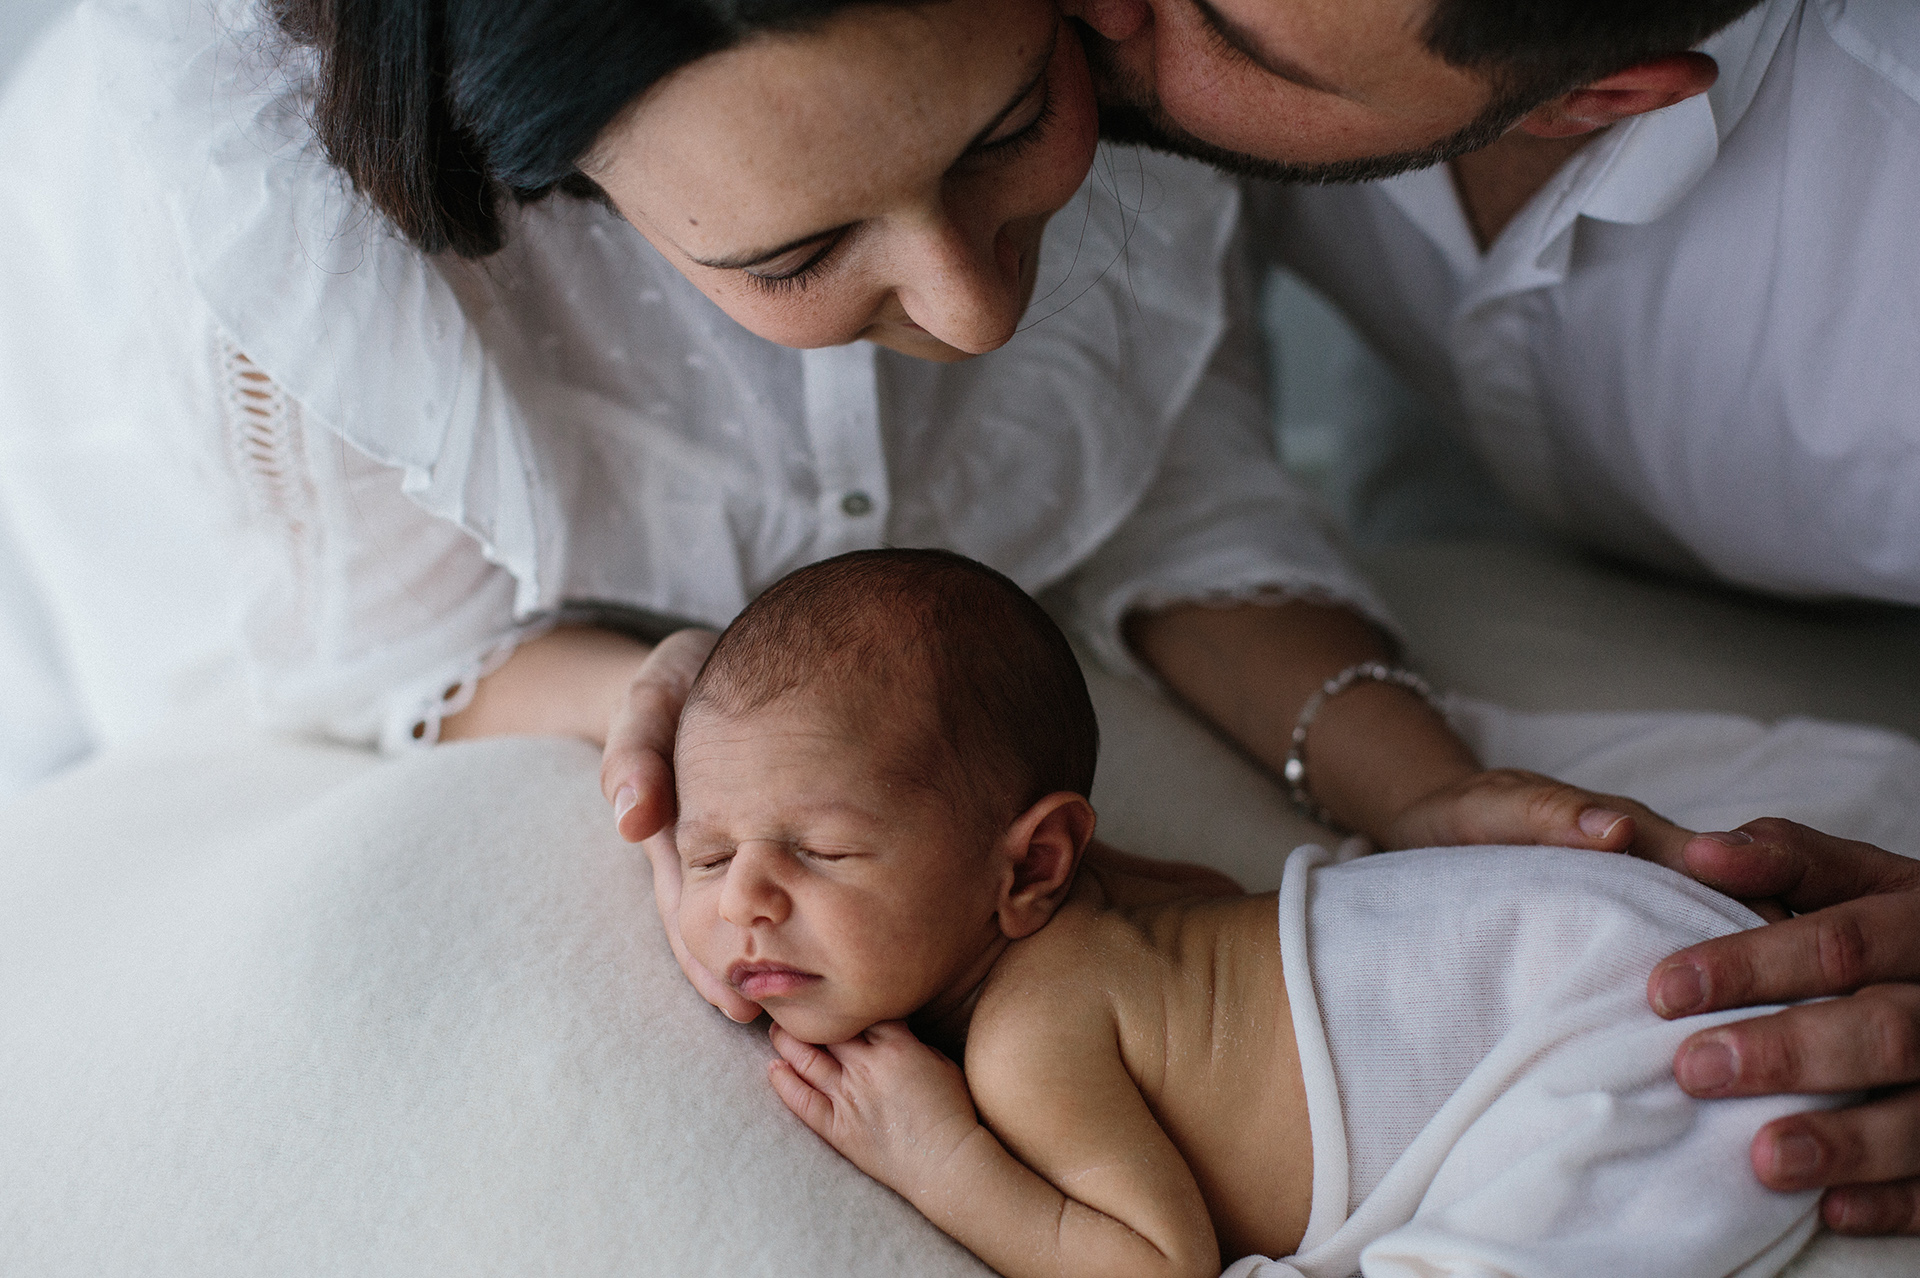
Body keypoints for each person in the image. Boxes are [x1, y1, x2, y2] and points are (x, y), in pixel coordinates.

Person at [0, 0, 1704, 1004]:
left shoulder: (1120, 39)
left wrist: (1421, 786)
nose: (975, 311)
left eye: (1007, 129)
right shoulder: (249, 201)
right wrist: (639, 692)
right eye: (798, 254)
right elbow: (376, 659)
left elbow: (1160, 489)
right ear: (545, 180)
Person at [1059, 0, 1920, 1234]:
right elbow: (1150, 451)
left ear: (1604, 97)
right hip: (1417, 519)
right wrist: (1401, 775)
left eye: (1233, 43)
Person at [674, 547, 1839, 1278]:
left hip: (1614, 1022)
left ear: (1032, 865)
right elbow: (1202, 899)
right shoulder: (1097, 907)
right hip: (1596, 943)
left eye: (821, 852)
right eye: (708, 853)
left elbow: (1154, 1263)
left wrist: (941, 1163)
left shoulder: (1030, 1039)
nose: (744, 900)